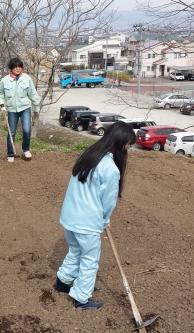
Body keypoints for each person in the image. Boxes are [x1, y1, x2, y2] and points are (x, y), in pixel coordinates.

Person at [53, 121, 136, 310]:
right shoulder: (111, 169)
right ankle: (81, 299)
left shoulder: (86, 154)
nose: (129, 148)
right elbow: (108, 201)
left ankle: (63, 282)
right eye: (129, 144)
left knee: (75, 249)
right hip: (87, 221)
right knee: (90, 259)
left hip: (69, 217)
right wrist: (105, 220)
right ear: (121, 142)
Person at [0, 57, 41, 163]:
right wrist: (2, 105)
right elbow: (0, 93)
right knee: (11, 132)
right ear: (11, 68)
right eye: (15, 67)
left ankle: (26, 150)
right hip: (12, 110)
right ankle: (10, 153)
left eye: (19, 67)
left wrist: (36, 107)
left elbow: (32, 93)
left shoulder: (26, 79)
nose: (17, 69)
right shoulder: (5, 80)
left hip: (25, 108)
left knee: (26, 130)